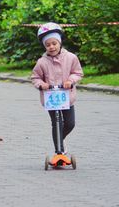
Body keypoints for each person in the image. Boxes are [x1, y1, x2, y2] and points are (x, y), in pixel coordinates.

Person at [31, 22, 83, 154]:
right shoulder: (42, 62)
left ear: (60, 43)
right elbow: (35, 77)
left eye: (54, 43)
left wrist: (71, 81)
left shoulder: (71, 58)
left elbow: (77, 73)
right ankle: (59, 151)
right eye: (47, 45)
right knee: (56, 123)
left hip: (67, 97)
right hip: (51, 98)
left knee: (70, 123)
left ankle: (61, 140)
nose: (51, 47)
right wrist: (41, 85)